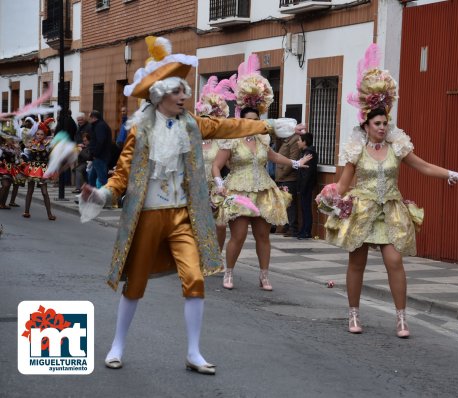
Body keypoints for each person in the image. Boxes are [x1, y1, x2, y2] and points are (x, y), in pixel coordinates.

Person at [77, 36, 298, 373]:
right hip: (148, 215)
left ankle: (194, 352)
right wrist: (102, 194)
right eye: (178, 92)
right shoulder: (141, 131)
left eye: (184, 91)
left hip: (182, 216)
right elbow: (121, 174)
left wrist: (267, 125)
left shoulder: (192, 125)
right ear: (160, 95)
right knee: (135, 283)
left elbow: (229, 124)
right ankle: (117, 345)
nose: (185, 97)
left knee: (194, 279)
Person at [321, 44, 458, 338]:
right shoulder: (356, 150)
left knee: (395, 261)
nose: (382, 127)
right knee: (357, 263)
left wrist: (455, 175)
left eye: (385, 123)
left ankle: (402, 318)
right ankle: (353, 314)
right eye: (377, 123)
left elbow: (425, 166)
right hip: (362, 211)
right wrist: (330, 197)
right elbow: (343, 184)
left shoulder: (397, 147)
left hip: (390, 211)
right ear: (366, 125)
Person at [211, 54, 311, 291]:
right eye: (249, 120)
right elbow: (217, 165)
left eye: (257, 120)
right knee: (238, 236)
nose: (254, 124)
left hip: (263, 189)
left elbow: (273, 157)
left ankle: (264, 276)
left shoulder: (263, 136)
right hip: (239, 190)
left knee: (263, 236)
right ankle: (229, 272)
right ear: (241, 120)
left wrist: (295, 164)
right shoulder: (231, 139)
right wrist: (219, 183)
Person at [195, 75, 236, 251]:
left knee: (220, 224)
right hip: (197, 186)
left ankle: (216, 253)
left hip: (216, 187)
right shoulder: (193, 139)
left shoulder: (222, 141)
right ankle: (199, 253)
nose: (207, 121)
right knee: (198, 223)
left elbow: (227, 164)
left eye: (210, 118)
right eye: (204, 118)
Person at [20, 127, 56, 220]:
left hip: (43, 169)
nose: (39, 136)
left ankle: (49, 214)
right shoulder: (31, 144)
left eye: (41, 134)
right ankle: (26, 212)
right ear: (35, 135)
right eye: (38, 134)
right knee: (30, 190)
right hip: (32, 168)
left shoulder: (48, 145)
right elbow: (26, 155)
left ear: (44, 136)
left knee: (44, 192)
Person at [275, 133, 300, 237]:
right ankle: (286, 226)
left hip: (289, 178)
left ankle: (292, 228)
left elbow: (293, 159)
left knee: (290, 204)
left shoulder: (294, 140)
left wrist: (282, 174)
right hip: (282, 177)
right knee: (284, 203)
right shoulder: (286, 139)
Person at [296, 132, 318, 240]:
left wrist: (302, 187)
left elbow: (307, 173)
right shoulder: (305, 152)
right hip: (304, 186)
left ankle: (306, 231)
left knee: (306, 208)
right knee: (304, 209)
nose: (297, 142)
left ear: (304, 142)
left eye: (299, 140)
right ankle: (303, 229)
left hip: (306, 186)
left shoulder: (309, 153)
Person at [87, 110, 112, 188]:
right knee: (92, 178)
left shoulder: (100, 126)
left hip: (100, 157)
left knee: (102, 179)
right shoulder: (99, 125)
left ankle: (107, 197)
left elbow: (100, 141)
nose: (89, 120)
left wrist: (95, 153)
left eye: (90, 118)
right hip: (99, 156)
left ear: (94, 118)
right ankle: (91, 197)